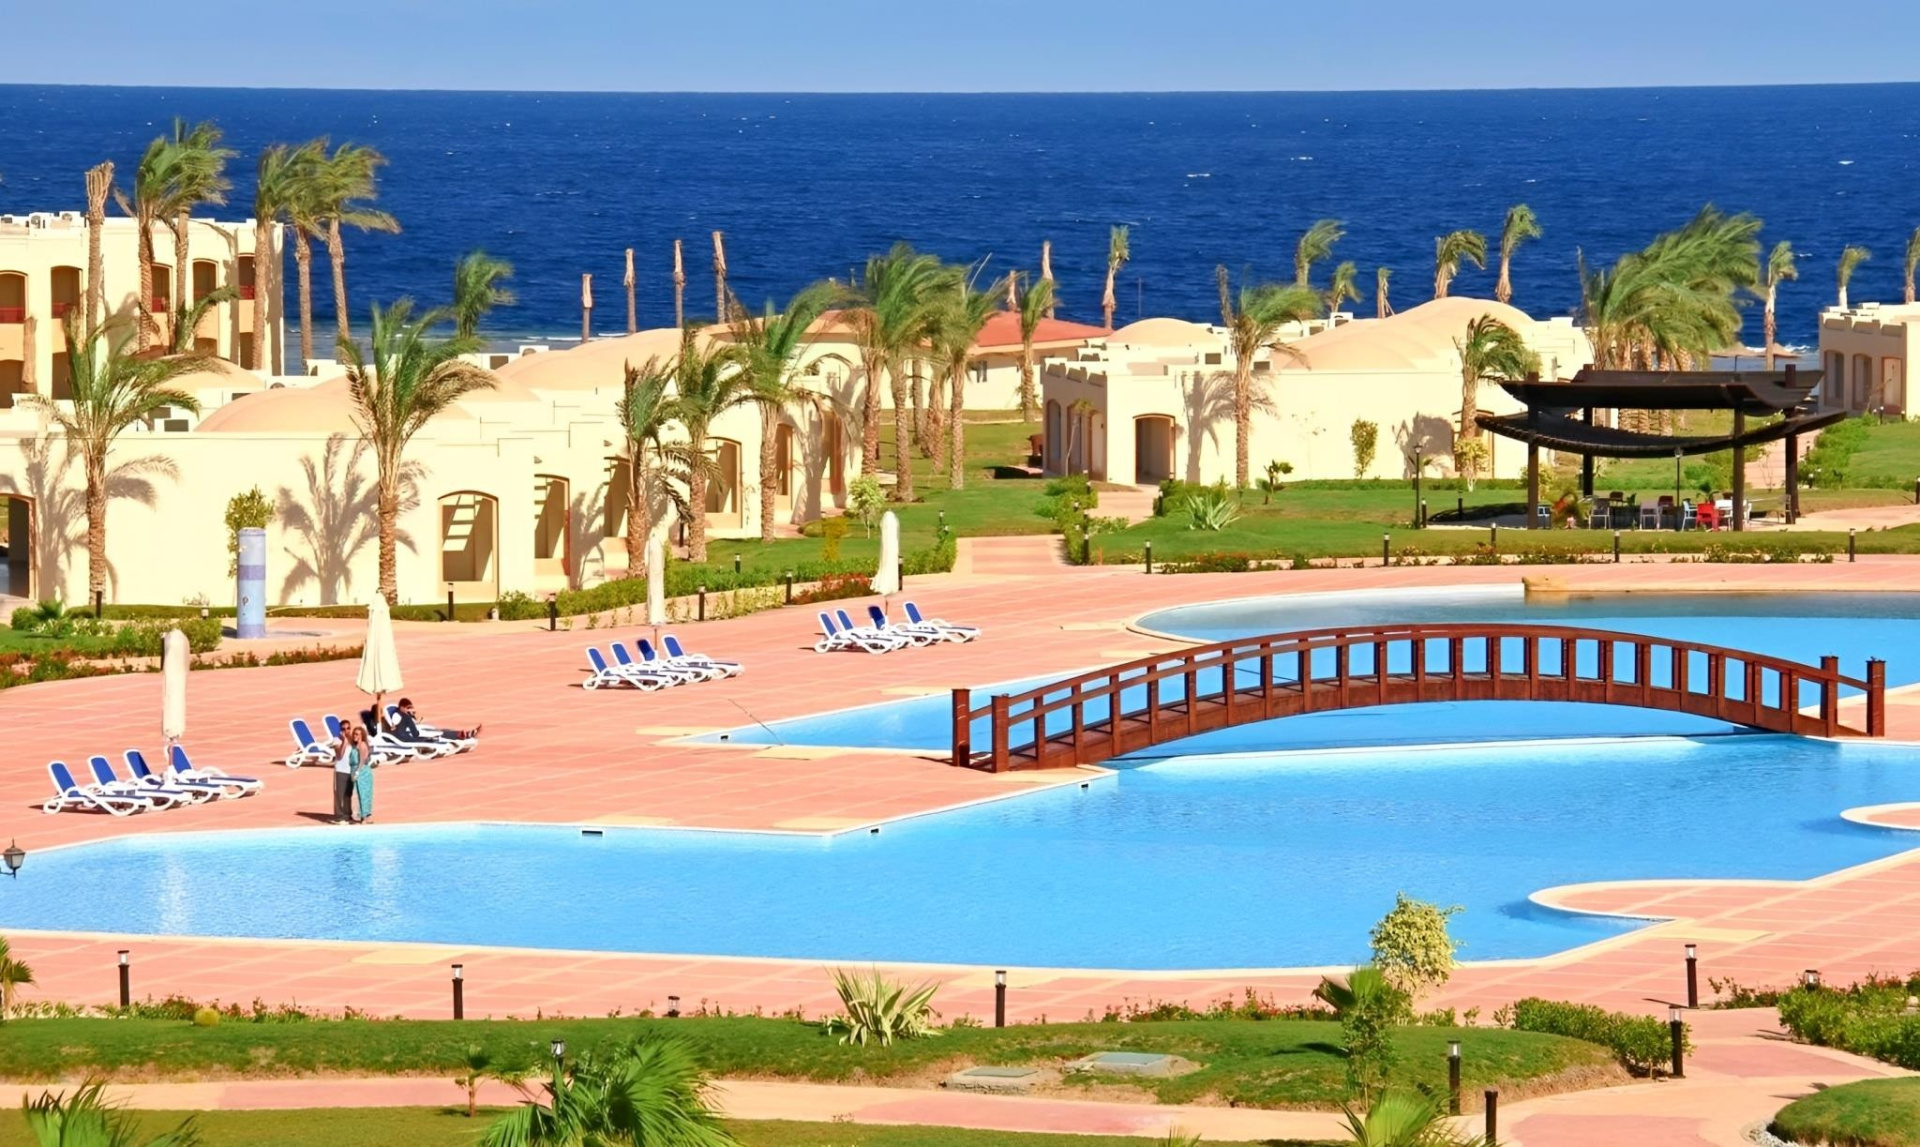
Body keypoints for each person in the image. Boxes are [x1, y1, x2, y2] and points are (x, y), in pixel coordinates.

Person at [389, 697, 481, 744]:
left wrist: (413, 719)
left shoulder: (405, 715)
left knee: (442, 731)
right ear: (401, 707)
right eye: (408, 708)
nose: (409, 710)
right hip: (413, 736)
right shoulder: (397, 715)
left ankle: (463, 734)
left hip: (417, 732)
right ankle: (462, 735)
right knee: (440, 733)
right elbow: (397, 725)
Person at [331, 719, 358, 824]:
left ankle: (347, 815)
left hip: (350, 770)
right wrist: (345, 742)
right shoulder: (336, 740)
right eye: (343, 729)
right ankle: (339, 816)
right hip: (340, 770)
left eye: (348, 728)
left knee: (348, 795)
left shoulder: (353, 740)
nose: (346, 731)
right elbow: (339, 755)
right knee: (339, 794)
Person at [348, 726, 374, 824]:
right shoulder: (355, 746)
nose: (355, 736)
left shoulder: (362, 745)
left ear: (362, 736)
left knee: (364, 794)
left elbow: (362, 761)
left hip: (363, 772)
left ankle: (364, 817)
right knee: (359, 794)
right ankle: (364, 816)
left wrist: (357, 772)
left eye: (357, 734)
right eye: (354, 734)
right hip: (356, 770)